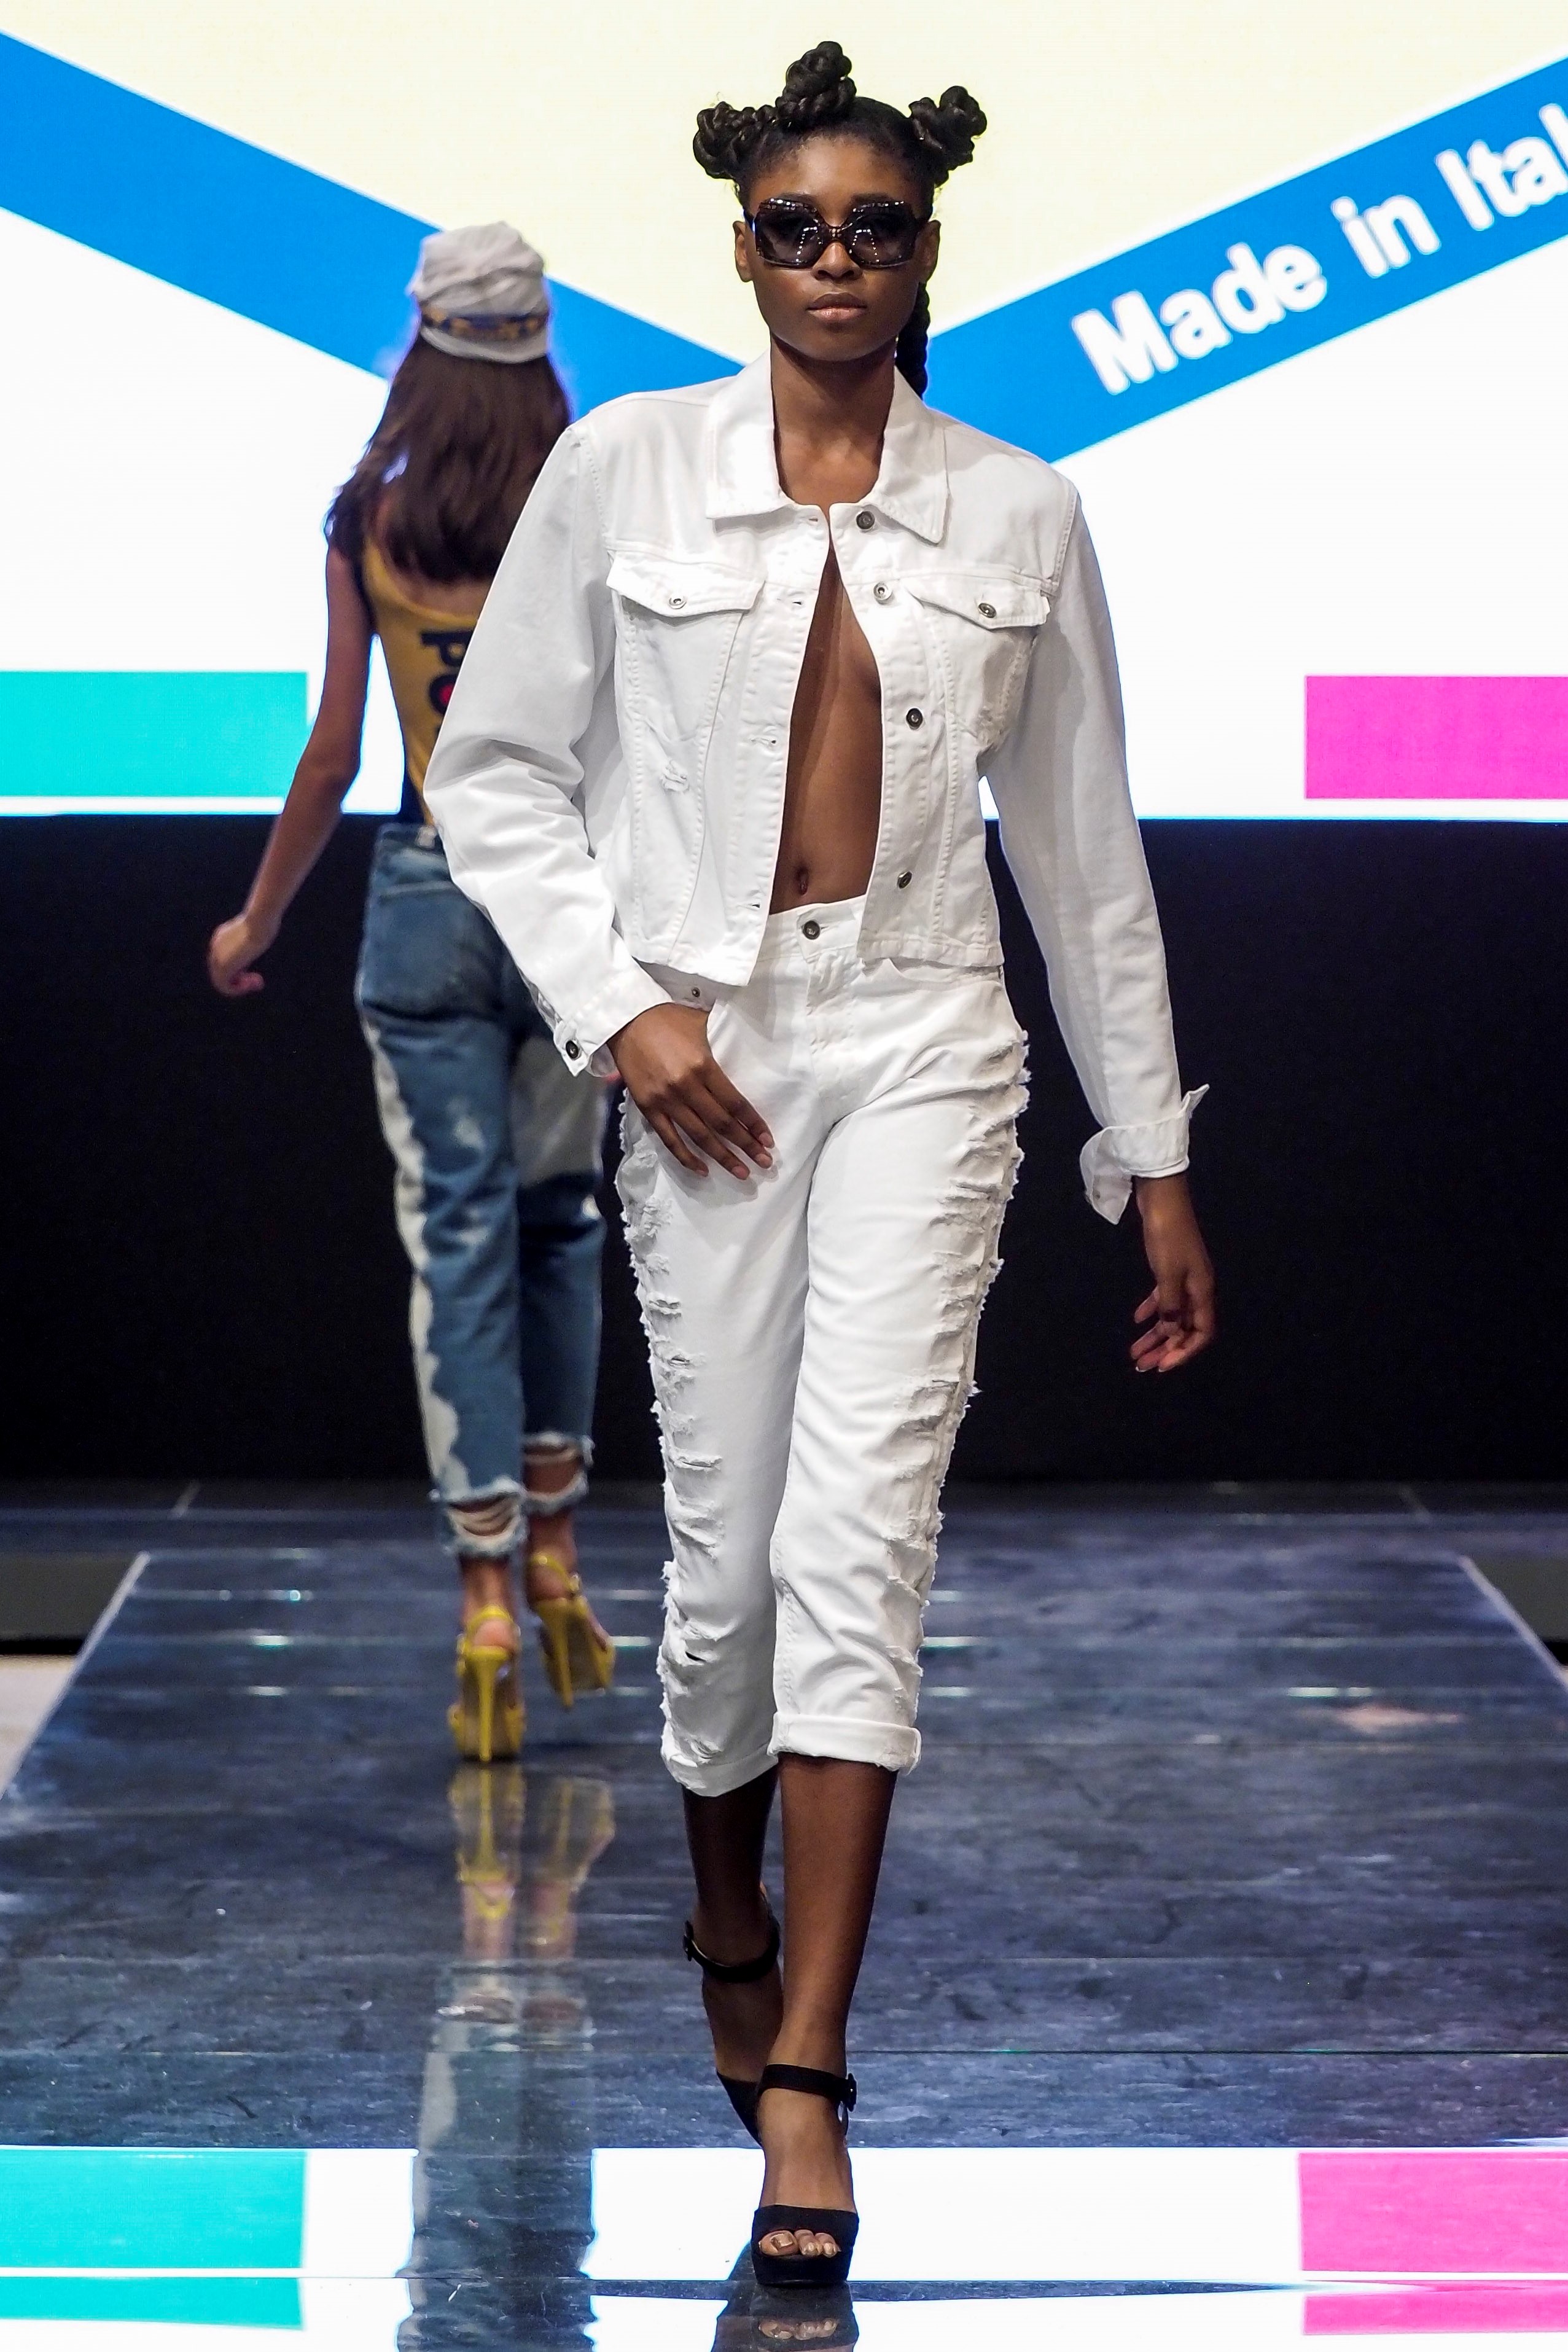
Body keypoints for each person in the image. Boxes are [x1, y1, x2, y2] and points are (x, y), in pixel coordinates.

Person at [423, 44, 1215, 2284]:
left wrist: (1149, 1151)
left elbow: (1082, 854)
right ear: (744, 249)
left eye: (873, 227)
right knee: (732, 1571)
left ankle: (810, 2076)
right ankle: (720, 1912)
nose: (836, 260)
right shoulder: (624, 467)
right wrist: (626, 1010)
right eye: (798, 228)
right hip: (707, 1051)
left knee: (861, 1547)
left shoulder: (1021, 509)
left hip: (927, 1044)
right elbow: (496, 774)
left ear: (924, 251)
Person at [206, 224, 617, 1765]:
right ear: (539, 340)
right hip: (573, 907)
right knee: (558, 1223)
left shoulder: (371, 517)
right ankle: (559, 1550)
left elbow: (332, 752)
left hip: (431, 897)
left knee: (457, 1240)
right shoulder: (591, 506)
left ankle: (486, 1601)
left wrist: (256, 917)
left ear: (421, 339)